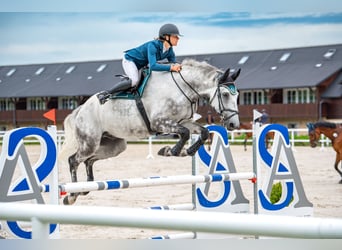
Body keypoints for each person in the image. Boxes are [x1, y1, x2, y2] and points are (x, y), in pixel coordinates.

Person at [97, 23, 183, 104]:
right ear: (166, 37)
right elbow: (153, 66)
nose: (178, 39)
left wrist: (178, 67)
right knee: (134, 81)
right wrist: (171, 68)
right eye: (175, 36)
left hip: (141, 65)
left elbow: (174, 64)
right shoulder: (153, 46)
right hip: (130, 60)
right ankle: (106, 93)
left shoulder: (170, 50)